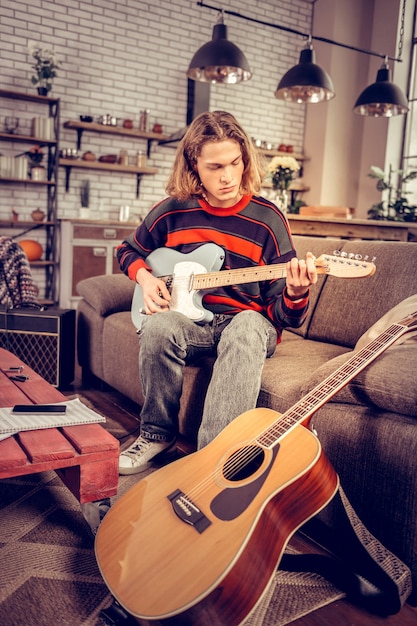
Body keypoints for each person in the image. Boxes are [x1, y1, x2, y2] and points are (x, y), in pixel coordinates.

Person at [116, 110, 317, 475]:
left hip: (247, 324)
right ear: (193, 166)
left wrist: (296, 291)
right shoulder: (172, 211)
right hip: (192, 324)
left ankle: (213, 458)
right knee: (159, 326)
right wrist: (146, 280)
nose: (227, 177)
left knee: (245, 327)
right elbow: (127, 250)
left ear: (245, 160)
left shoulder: (268, 219)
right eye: (214, 167)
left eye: (234, 163)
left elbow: (285, 316)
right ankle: (157, 434)